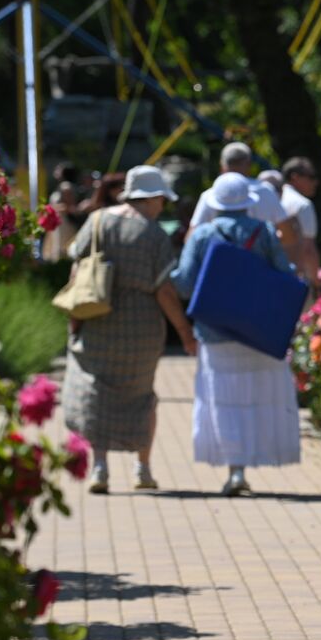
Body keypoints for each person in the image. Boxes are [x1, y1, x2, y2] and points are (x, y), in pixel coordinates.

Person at [61, 166, 198, 493]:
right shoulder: (154, 235)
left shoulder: (97, 221)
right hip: (142, 328)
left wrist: (74, 318)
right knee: (142, 397)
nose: (163, 206)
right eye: (162, 199)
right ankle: (142, 469)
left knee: (98, 394)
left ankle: (100, 468)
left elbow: (77, 269)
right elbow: (164, 291)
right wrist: (185, 333)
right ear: (150, 198)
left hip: (99, 317)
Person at [169, 172, 301, 496]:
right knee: (256, 396)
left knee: (224, 399)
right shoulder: (266, 232)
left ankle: (235, 470)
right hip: (259, 331)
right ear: (248, 202)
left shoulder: (202, 235)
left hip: (216, 331)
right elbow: (285, 275)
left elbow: (184, 284)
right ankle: (250, 462)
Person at [190, 142, 318, 287]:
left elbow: (192, 237)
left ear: (222, 166)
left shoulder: (209, 195)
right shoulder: (265, 192)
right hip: (260, 281)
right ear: (249, 164)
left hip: (218, 281)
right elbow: (288, 236)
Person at [279, 156, 321, 281]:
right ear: (295, 177)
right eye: (311, 177)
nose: (315, 182)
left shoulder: (274, 201)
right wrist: (316, 283)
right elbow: (308, 249)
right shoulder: (303, 205)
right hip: (298, 278)